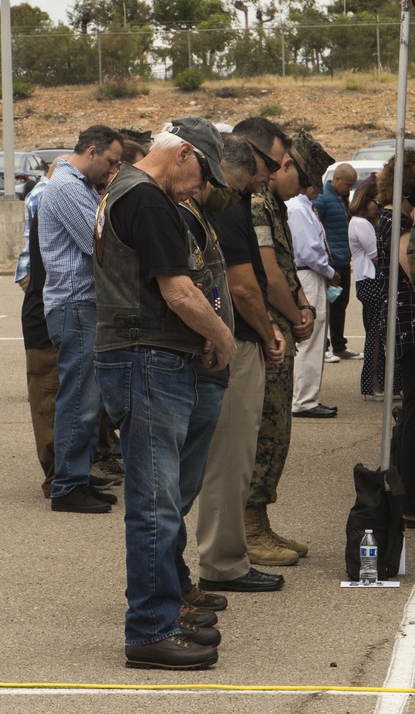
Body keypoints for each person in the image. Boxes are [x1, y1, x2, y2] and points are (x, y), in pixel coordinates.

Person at [92, 116, 235, 670]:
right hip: (146, 359)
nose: (200, 185)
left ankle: (163, 613)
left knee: (160, 500)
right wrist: (221, 336)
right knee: (155, 504)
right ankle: (150, 629)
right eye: (201, 170)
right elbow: (178, 291)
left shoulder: (125, 189)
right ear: (181, 154)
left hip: (142, 355)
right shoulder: (148, 199)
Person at [196, 116, 289, 594]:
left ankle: (224, 557)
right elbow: (244, 285)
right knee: (231, 460)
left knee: (229, 459)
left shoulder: (225, 202)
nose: (267, 178)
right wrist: (269, 330)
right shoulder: (231, 206)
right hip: (238, 345)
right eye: (265, 167)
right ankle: (224, 562)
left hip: (231, 342)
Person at [176, 133, 257, 628]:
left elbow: (214, 282)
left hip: (210, 357)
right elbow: (186, 290)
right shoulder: (175, 212)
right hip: (195, 360)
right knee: (172, 492)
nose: (214, 186)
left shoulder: (197, 213)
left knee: (181, 487)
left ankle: (175, 583)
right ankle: (166, 594)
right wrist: (219, 335)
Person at [247, 129, 329, 567]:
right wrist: (297, 312)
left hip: (279, 323)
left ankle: (259, 519)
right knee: (266, 431)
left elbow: (285, 269)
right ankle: (249, 527)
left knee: (277, 433)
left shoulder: (276, 206)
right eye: (301, 175)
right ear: (286, 166)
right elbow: (267, 272)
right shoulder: (259, 204)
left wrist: (300, 305)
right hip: (266, 331)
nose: (304, 187)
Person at [39, 125, 124, 514]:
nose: (112, 170)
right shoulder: (69, 187)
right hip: (76, 305)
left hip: (81, 305)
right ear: (91, 152)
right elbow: (99, 242)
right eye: (110, 162)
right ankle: (68, 486)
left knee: (88, 398)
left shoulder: (78, 184)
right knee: (79, 400)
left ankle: (78, 474)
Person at [19, 157, 67, 498]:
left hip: (51, 317)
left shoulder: (58, 197)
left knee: (62, 399)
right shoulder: (51, 198)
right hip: (43, 322)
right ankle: (58, 479)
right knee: (49, 402)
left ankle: (70, 473)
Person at [375, 152, 415, 521]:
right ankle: (409, 502)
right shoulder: (397, 220)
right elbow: (410, 266)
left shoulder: (392, 216)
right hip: (409, 324)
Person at [288, 136, 338, 419]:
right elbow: (308, 251)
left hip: (312, 274)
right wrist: (330, 272)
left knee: (316, 339)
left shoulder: (303, 206)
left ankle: (309, 396)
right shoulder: (297, 207)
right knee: (311, 339)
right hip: (309, 275)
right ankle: (305, 400)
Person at [351, 181, 399, 399]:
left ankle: (378, 382)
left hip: (370, 281)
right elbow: (379, 257)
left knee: (378, 334)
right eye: (376, 203)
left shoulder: (365, 222)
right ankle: (373, 383)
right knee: (376, 335)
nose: (378, 207)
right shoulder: (361, 223)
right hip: (370, 282)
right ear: (365, 200)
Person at [315, 162, 360, 360]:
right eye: (347, 184)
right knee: (325, 306)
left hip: (342, 260)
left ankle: (339, 346)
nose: (349, 189)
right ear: (337, 179)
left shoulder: (342, 199)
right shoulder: (323, 199)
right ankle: (322, 347)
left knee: (341, 304)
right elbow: (317, 230)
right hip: (329, 263)